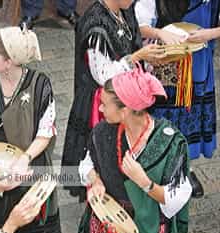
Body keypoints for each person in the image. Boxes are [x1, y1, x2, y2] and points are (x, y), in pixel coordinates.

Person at [61, 0, 166, 201]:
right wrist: (135, 57)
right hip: (104, 103)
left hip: (124, 96)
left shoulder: (124, 11)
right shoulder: (95, 24)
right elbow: (102, 75)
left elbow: (131, 43)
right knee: (103, 154)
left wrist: (148, 60)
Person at [77, 66, 192, 233]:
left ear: (124, 111)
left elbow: (175, 200)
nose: (100, 109)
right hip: (108, 224)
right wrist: (96, 180)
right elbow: (86, 164)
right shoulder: (102, 132)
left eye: (104, 105)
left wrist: (145, 183)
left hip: (147, 230)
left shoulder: (171, 143)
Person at [0, 26, 61, 233]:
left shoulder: (40, 85)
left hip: (29, 168)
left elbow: (45, 132)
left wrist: (25, 157)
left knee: (31, 224)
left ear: (8, 62)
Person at [135, 0, 220, 198]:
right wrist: (159, 33)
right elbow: (138, 24)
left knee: (190, 113)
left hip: (198, 59)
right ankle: (160, 168)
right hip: (166, 61)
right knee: (165, 116)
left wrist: (210, 33)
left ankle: (185, 169)